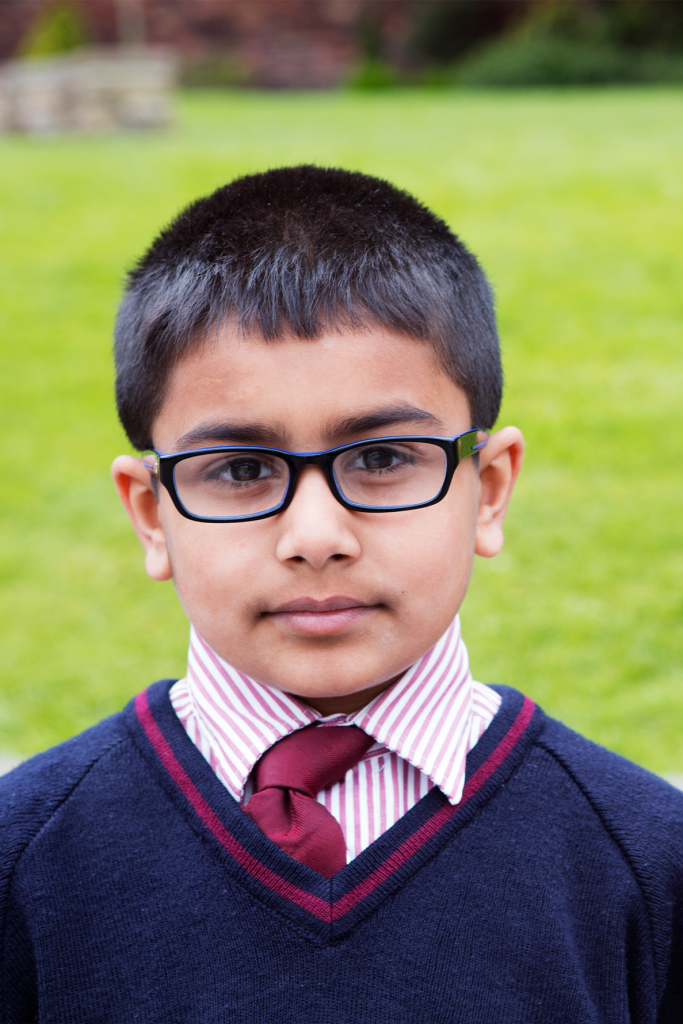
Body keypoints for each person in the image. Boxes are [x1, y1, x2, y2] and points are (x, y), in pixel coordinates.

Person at [1, 166, 681, 1024]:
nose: (316, 535)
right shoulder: (24, 860)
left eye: (383, 458)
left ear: (491, 489)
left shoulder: (646, 863)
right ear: (150, 514)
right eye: (242, 470)